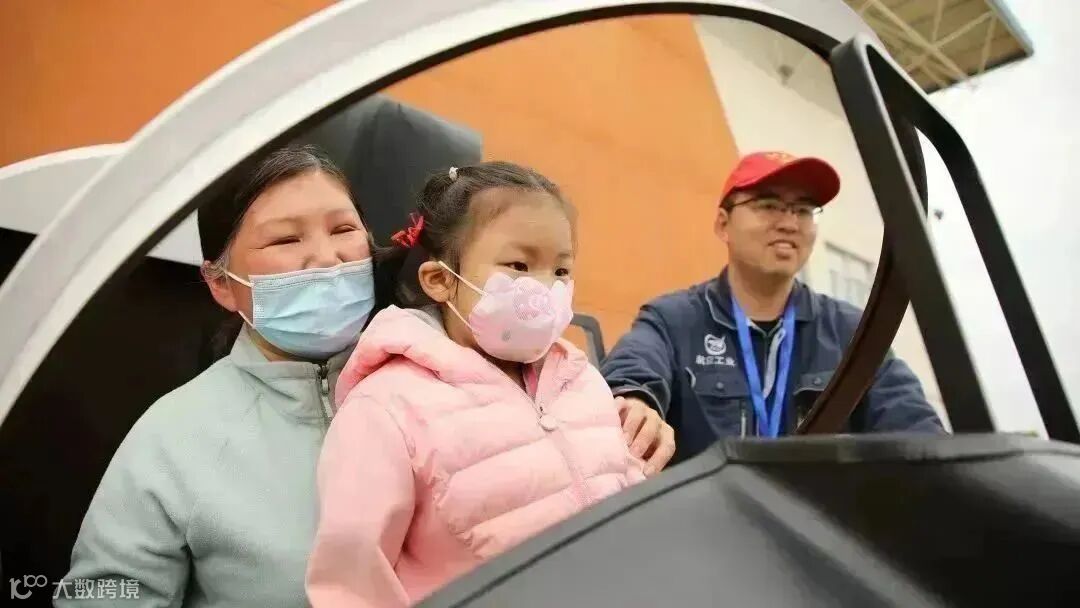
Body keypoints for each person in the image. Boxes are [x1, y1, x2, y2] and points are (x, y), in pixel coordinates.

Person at [305, 162, 645, 607]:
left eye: (561, 270)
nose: (546, 288)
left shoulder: (581, 380)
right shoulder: (387, 407)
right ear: (441, 280)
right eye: (519, 265)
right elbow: (353, 583)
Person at [59, 145, 377, 607]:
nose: (327, 258)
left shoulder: (434, 383)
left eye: (343, 229)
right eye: (286, 239)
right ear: (221, 283)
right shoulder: (173, 437)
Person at [601, 151, 944, 464]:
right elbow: (633, 371)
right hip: (708, 512)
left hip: (813, 512)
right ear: (723, 224)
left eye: (803, 210)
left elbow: (916, 427)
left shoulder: (851, 332)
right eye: (768, 205)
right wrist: (634, 402)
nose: (789, 223)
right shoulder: (674, 320)